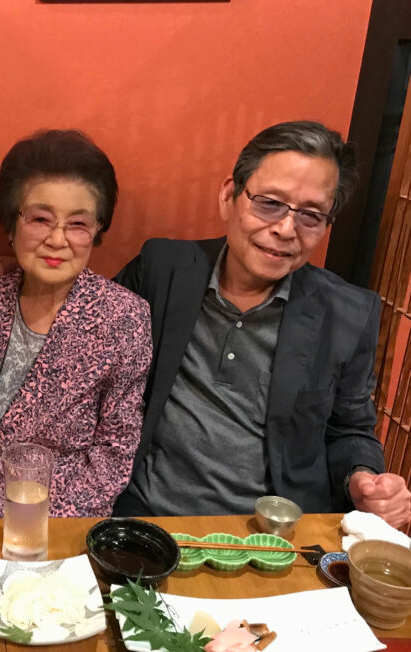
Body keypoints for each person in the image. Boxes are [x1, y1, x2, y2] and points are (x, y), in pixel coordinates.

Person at [113, 121, 411, 525]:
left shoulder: (348, 313)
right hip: (148, 520)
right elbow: (88, 335)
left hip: (275, 533)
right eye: (269, 203)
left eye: (311, 215)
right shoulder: (162, 269)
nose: (285, 229)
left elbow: (350, 430)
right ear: (228, 196)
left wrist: (364, 479)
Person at [0, 129, 151, 518]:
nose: (57, 239)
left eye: (77, 224)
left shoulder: (124, 319)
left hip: (59, 513)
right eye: (41, 219)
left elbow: (114, 451)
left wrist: (27, 515)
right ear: (12, 226)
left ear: (97, 231)